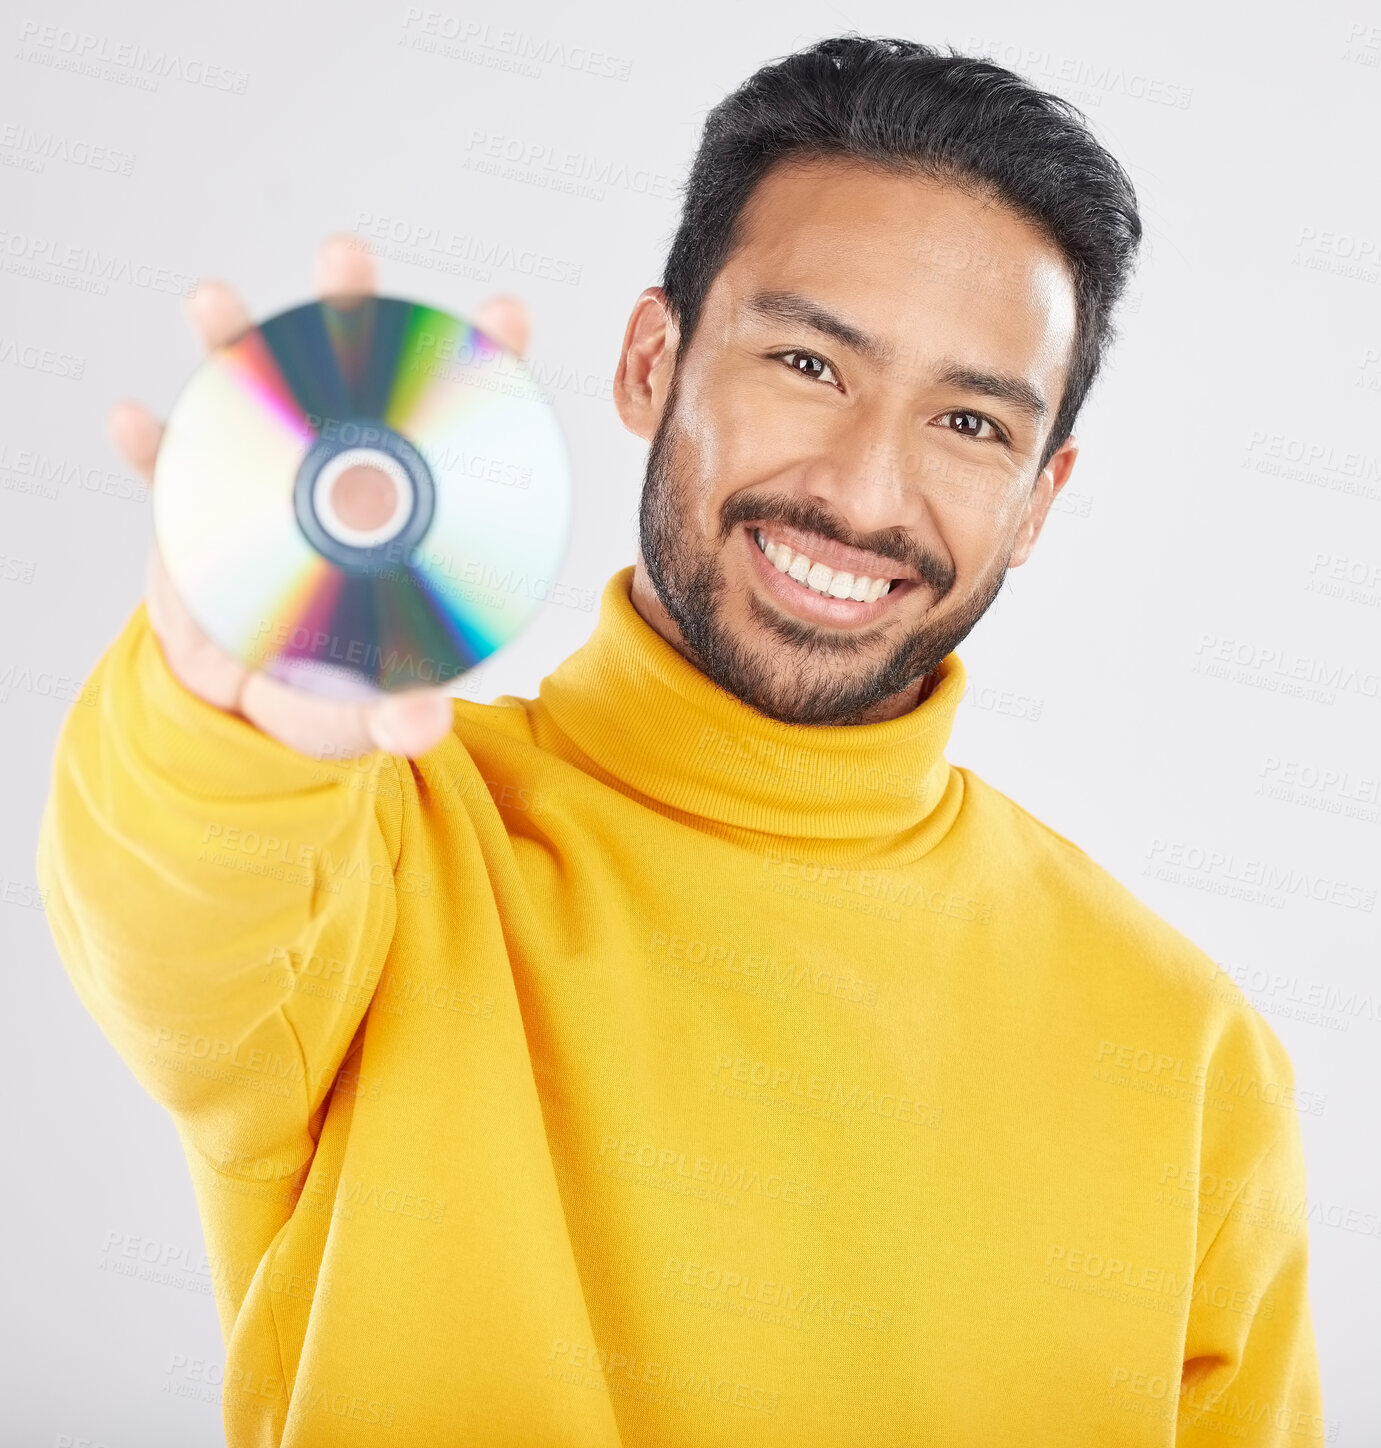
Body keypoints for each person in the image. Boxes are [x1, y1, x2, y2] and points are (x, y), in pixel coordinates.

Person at [38, 34, 1322, 1448]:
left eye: (966, 420)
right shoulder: (384, 854)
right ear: (653, 360)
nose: (862, 489)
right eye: (807, 361)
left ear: (1036, 497)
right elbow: (181, 905)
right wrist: (236, 713)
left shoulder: (1188, 1055)